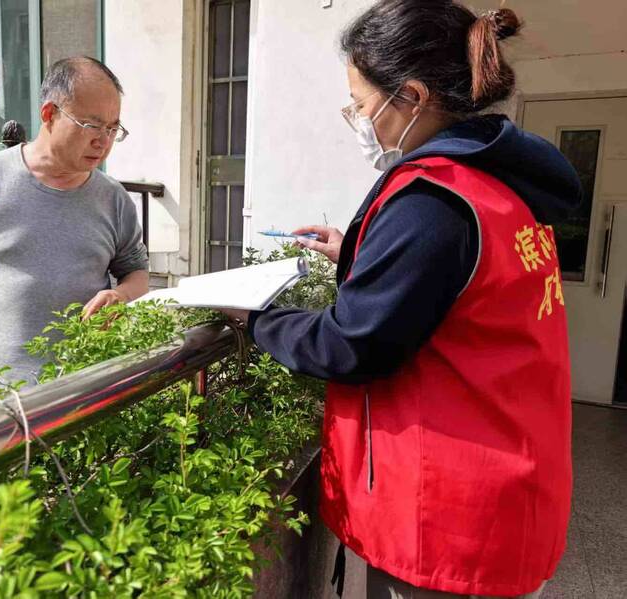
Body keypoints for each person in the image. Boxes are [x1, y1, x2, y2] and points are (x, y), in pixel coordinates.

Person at [221, 2, 582, 597]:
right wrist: (362, 255)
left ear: (411, 97)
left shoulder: (432, 200)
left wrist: (254, 318)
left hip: (448, 515)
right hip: (508, 479)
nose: (359, 120)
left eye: (360, 105)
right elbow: (461, 290)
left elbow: (352, 345)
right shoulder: (501, 182)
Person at [0, 57, 149, 394]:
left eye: (113, 129)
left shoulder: (113, 198)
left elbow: (137, 273)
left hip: (85, 392)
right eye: (91, 125)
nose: (104, 141)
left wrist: (121, 294)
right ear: (49, 114)